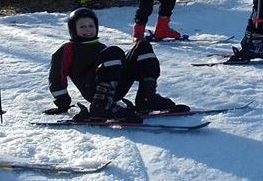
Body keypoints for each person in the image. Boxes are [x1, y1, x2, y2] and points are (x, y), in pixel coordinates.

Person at [45, 8, 185, 121]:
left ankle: (147, 98)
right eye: (82, 26)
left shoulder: (101, 47)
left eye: (91, 26)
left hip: (115, 90)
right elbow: (57, 76)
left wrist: (136, 67)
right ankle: (101, 106)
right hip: (94, 93)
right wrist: (62, 102)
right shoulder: (68, 49)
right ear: (73, 29)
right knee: (114, 52)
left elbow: (120, 67)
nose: (88, 30)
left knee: (143, 46)